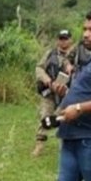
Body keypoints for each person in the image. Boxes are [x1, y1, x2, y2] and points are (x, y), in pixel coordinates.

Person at [25, 30, 91, 181]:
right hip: (70, 135)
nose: (86, 34)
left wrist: (80, 108)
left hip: (88, 137)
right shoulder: (80, 61)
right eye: (85, 29)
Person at [31, 29, 73, 157]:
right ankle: (39, 144)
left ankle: (64, 148)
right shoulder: (50, 53)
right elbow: (39, 68)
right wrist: (47, 80)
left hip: (67, 95)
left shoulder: (76, 55)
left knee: (62, 119)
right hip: (49, 92)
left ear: (70, 40)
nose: (63, 41)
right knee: (45, 117)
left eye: (65, 38)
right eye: (61, 38)